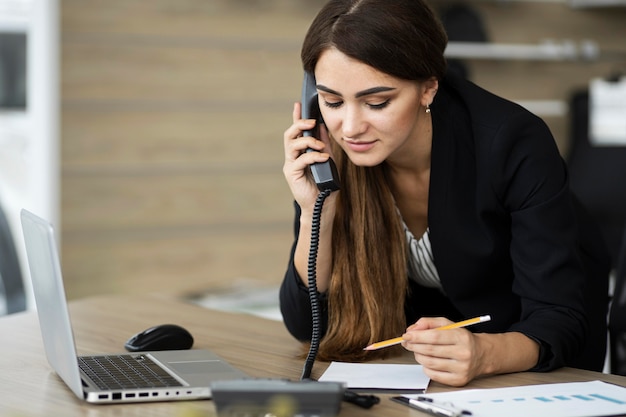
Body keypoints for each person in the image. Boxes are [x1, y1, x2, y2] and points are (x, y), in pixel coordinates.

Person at [280, 0, 610, 387]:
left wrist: (486, 353)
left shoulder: (511, 141)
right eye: (332, 101)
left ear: (428, 88)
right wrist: (317, 208)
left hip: (524, 360)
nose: (349, 127)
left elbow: (560, 320)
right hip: (430, 368)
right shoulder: (326, 146)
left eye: (377, 102)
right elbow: (307, 324)